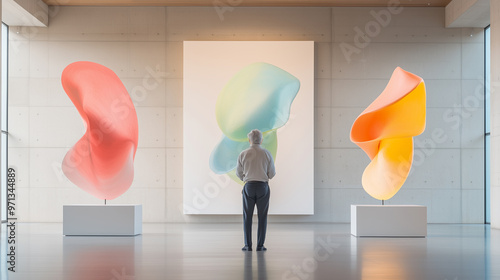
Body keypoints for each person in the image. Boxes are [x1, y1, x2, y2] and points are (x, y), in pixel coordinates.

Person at [236, 129, 276, 252]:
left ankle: (248, 245)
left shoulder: (243, 154)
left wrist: (246, 178)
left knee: (247, 217)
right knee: (262, 217)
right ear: (261, 140)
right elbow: (272, 174)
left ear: (249, 140)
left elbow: (238, 173)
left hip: (248, 186)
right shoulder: (266, 153)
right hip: (263, 187)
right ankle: (260, 245)